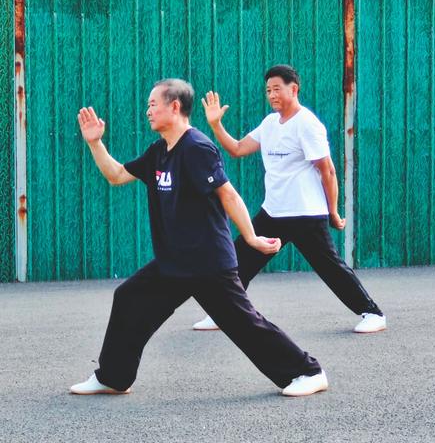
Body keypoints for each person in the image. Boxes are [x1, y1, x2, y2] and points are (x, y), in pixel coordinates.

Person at [70, 78, 327, 397]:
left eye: (153, 104)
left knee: (244, 325)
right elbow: (116, 175)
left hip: (207, 263)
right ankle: (113, 376)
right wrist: (96, 143)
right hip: (174, 262)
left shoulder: (197, 147)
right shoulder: (159, 150)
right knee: (129, 298)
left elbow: (229, 195)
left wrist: (252, 238)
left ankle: (308, 372)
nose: (147, 111)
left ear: (174, 107)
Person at [193, 65, 386, 334]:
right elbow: (237, 149)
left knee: (330, 268)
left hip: (306, 214)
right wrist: (216, 125)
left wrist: (331, 210)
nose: (271, 95)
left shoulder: (307, 124)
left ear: (293, 89)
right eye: (268, 90)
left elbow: (327, 170)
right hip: (273, 212)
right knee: (237, 261)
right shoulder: (269, 123)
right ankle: (223, 313)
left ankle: (372, 313)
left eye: (277, 89)